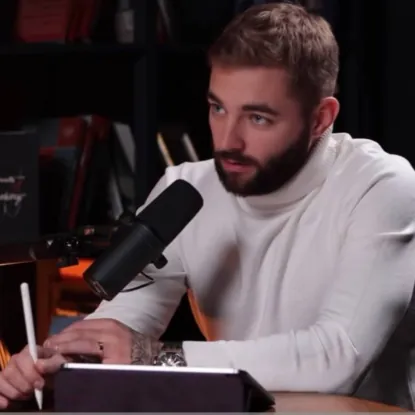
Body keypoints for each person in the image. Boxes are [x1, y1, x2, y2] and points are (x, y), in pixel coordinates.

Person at [2, 1, 415, 410]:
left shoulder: (381, 186)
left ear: (321, 118)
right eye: (218, 108)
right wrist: (62, 362)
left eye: (258, 118)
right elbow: (123, 323)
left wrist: (158, 358)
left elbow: (338, 356)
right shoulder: (185, 189)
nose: (227, 141)